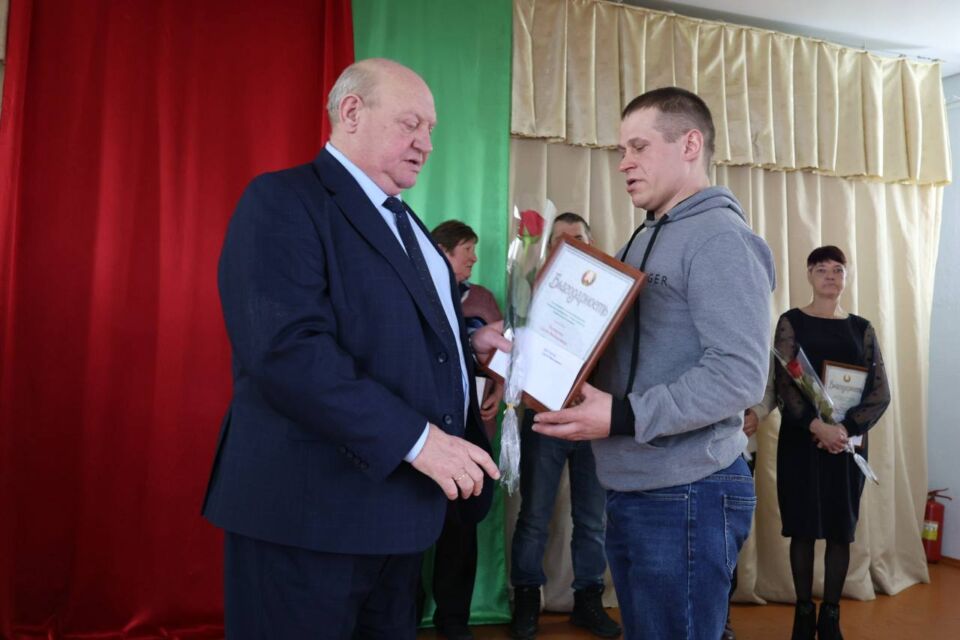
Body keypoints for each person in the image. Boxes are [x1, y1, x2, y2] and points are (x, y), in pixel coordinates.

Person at [201, 58, 507, 639]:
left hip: (401, 521)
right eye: (411, 124)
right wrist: (419, 441)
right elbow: (287, 351)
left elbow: (391, 335)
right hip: (307, 520)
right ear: (351, 112)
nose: (426, 144)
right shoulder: (282, 200)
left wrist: (470, 345)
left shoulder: (410, 225)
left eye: (431, 130)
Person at [533, 87, 776, 640]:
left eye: (639, 147)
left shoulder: (720, 239)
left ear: (689, 145)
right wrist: (529, 354)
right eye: (622, 150)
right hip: (639, 484)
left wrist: (622, 416)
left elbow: (739, 375)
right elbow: (616, 347)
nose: (624, 163)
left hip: (688, 488)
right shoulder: (645, 237)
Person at [509, 213, 622, 640]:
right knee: (534, 515)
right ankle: (526, 598)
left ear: (592, 244)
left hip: (594, 423)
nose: (569, 246)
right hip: (545, 418)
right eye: (559, 240)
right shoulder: (531, 289)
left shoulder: (614, 292)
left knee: (592, 519)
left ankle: (587, 600)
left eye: (577, 238)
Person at [773, 246, 890, 640]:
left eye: (838, 269)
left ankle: (831, 617)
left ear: (846, 277)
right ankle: (803, 615)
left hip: (846, 444)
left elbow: (880, 391)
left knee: (841, 529)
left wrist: (844, 429)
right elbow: (784, 383)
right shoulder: (791, 322)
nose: (830, 276)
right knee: (803, 528)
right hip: (801, 441)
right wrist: (816, 426)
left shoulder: (862, 328)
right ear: (809, 274)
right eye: (821, 269)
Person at [425, 220, 504, 640]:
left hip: (472, 431)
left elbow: (503, 350)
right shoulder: (418, 292)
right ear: (442, 251)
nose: (474, 258)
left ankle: (453, 620)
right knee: (413, 527)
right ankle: (403, 614)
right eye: (467, 249)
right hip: (426, 433)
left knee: (461, 528)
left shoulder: (484, 299)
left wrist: (500, 388)